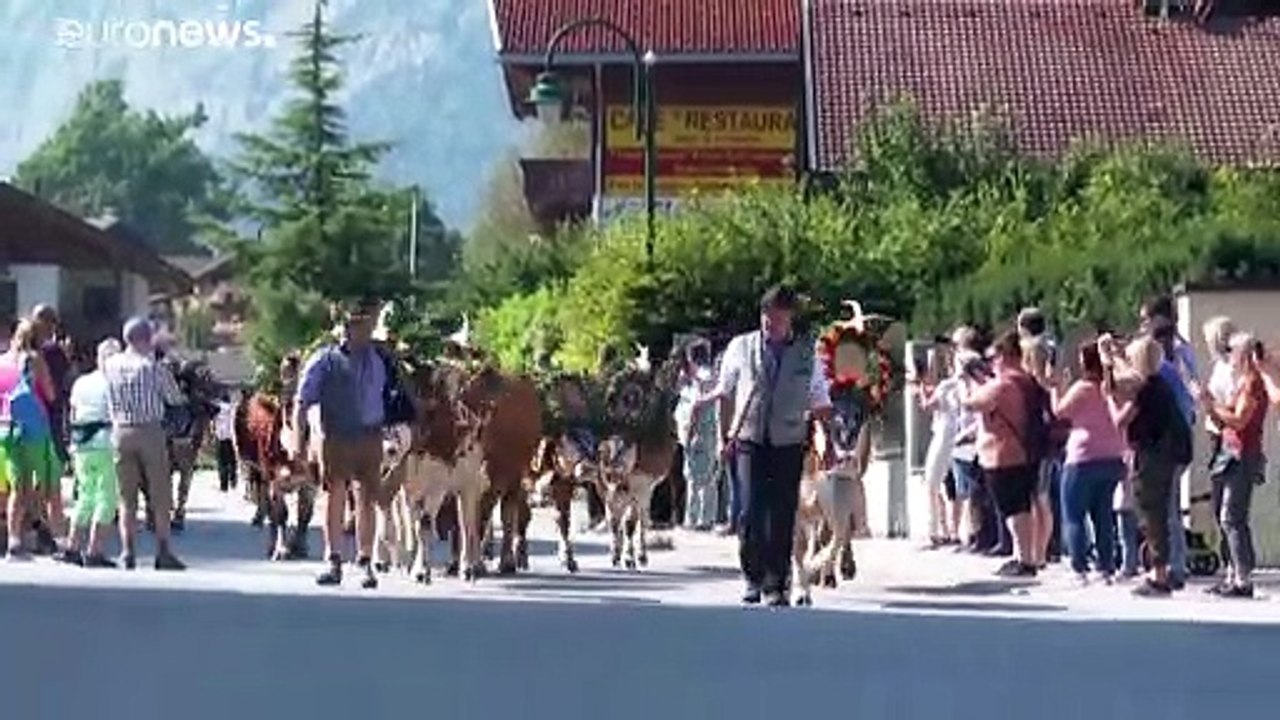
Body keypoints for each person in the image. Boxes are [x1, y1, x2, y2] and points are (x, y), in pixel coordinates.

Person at [696, 285, 834, 607]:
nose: (771, 326)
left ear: (790, 320)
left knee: (782, 513)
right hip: (748, 439)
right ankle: (752, 576)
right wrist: (721, 436)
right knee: (749, 510)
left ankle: (776, 583)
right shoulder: (740, 348)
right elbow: (725, 391)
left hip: (788, 441)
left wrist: (830, 439)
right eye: (767, 319)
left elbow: (818, 397)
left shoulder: (806, 354)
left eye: (778, 320)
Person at [292, 300, 389, 589]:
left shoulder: (379, 360)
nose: (356, 331)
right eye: (352, 325)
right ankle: (333, 559)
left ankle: (365, 560)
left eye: (362, 324)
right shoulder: (325, 360)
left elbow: (389, 397)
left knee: (366, 498)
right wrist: (299, 442)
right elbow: (302, 400)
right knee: (335, 493)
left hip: (370, 434)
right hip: (337, 436)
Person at [1104, 335, 1191, 597]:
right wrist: (1113, 358)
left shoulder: (1145, 389)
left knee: (1151, 511)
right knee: (1163, 511)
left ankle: (1159, 573)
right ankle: (1164, 568)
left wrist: (1109, 400)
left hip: (1154, 454)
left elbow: (1120, 420)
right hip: (1171, 451)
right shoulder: (1158, 384)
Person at [102, 317, 186, 571]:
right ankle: (163, 551)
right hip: (149, 430)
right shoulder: (153, 367)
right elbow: (174, 398)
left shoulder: (110, 365)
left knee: (126, 498)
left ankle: (128, 552)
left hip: (120, 430)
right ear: (145, 339)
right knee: (159, 494)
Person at [961, 329, 1038, 577]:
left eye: (995, 356)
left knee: (1013, 509)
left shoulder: (1004, 384)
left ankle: (1024, 558)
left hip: (1003, 453)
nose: (993, 362)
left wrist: (969, 381)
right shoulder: (1026, 381)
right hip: (1024, 451)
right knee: (1021, 507)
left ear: (1005, 355)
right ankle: (1022, 556)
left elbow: (973, 402)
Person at [1199, 332, 1267, 599]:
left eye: (1233, 350)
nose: (1229, 355)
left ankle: (1243, 577)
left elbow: (1239, 420)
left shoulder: (1252, 383)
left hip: (1242, 453)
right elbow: (1226, 416)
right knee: (1224, 513)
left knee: (1233, 516)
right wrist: (1211, 408)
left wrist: (1210, 404)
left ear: (1245, 354)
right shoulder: (1241, 383)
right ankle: (1233, 572)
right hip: (1229, 451)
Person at [1053, 340, 1127, 584]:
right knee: (1103, 514)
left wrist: (1056, 387)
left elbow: (1060, 411)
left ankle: (1079, 567)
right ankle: (1106, 566)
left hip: (1083, 456)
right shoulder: (1115, 387)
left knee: (1074, 514)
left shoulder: (1083, 388)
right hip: (1113, 455)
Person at [58, 339, 124, 567]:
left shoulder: (81, 383)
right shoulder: (117, 384)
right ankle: (94, 550)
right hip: (106, 442)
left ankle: (72, 546)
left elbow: (73, 412)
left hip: (81, 444)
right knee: (106, 496)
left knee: (85, 494)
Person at [0, 319, 60, 559]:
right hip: (33, 429)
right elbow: (50, 394)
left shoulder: (2, 360)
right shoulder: (35, 360)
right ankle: (45, 532)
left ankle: (14, 538)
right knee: (41, 482)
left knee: (15, 485)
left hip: (4, 428)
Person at [914, 344, 961, 547]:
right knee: (947, 484)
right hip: (954, 435)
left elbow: (927, 405)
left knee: (931, 483)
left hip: (944, 434)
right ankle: (946, 529)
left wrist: (921, 388)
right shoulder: (958, 384)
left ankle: (936, 531)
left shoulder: (947, 386)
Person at [674, 338, 719, 531]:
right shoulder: (710, 376)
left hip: (699, 431)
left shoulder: (700, 379)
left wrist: (690, 431)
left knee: (694, 476)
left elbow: (695, 407)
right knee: (707, 476)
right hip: (708, 431)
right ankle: (705, 517)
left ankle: (694, 519)